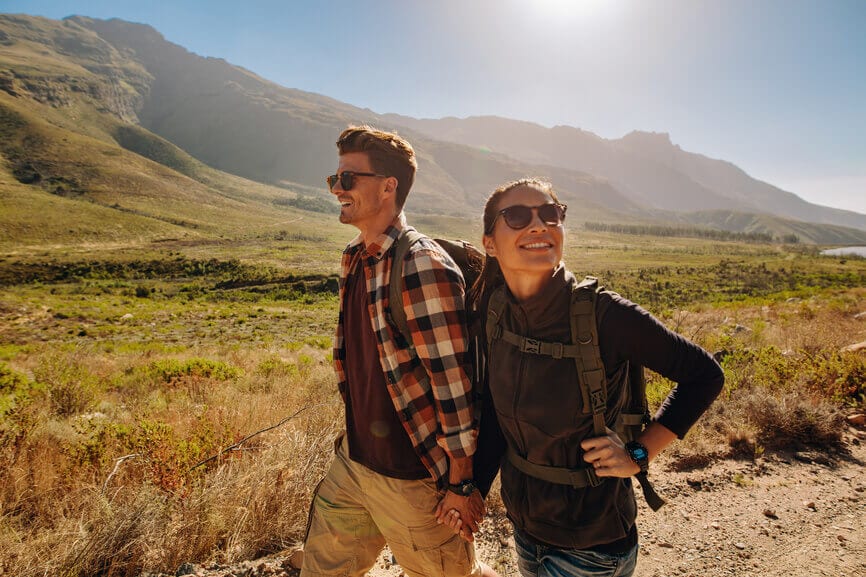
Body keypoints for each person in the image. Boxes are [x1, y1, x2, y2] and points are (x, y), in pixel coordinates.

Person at [448, 178, 724, 577]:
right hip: (526, 530)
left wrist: (638, 455)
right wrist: (473, 488)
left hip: (592, 547)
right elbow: (496, 412)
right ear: (489, 242)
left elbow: (704, 375)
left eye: (550, 214)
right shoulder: (495, 309)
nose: (539, 225)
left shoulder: (603, 315)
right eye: (518, 216)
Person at [301, 125, 491, 577]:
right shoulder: (355, 256)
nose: (336, 190)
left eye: (347, 180)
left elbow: (452, 384)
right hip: (354, 461)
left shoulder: (421, 264)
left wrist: (462, 483)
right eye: (334, 180)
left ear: (389, 187)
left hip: (412, 478)